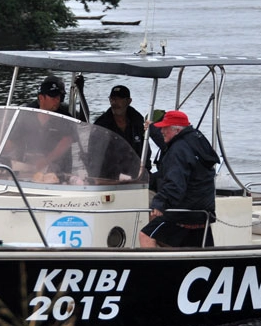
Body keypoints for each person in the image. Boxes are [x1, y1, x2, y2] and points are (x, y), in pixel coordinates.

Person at [139, 110, 220, 248]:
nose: (162, 131)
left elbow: (175, 183)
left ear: (176, 130)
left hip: (184, 212)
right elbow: (168, 143)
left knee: (146, 235)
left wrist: (160, 202)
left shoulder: (178, 150)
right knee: (176, 241)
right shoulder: (196, 139)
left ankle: (152, 269)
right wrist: (153, 129)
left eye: (165, 128)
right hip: (203, 211)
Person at [93, 85, 146, 159]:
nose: (115, 102)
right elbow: (93, 153)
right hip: (109, 169)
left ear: (128, 101)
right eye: (112, 99)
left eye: (119, 99)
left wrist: (146, 168)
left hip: (135, 168)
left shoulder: (137, 122)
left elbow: (145, 149)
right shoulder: (101, 125)